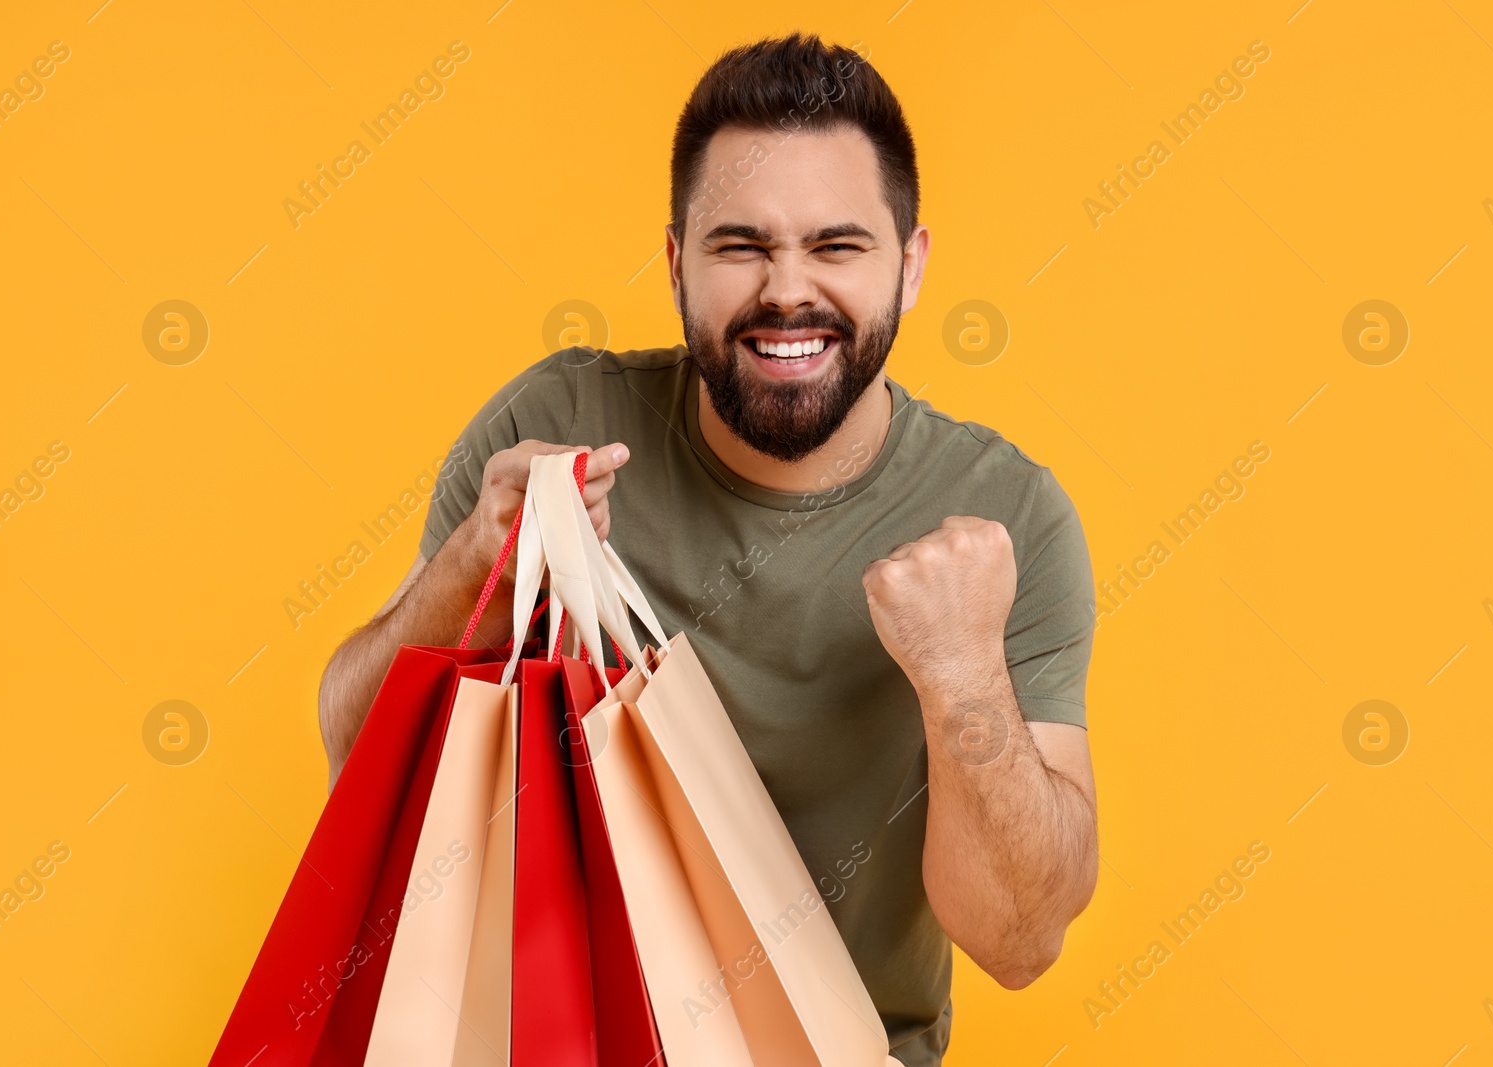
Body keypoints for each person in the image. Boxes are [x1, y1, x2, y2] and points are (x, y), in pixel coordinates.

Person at [317, 32, 1098, 1066]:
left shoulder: (1002, 515)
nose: (786, 292)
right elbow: (353, 759)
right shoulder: (556, 424)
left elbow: (1017, 938)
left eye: (836, 245)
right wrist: (470, 571)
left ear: (908, 269)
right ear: (678, 261)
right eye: (741, 246)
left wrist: (959, 670)